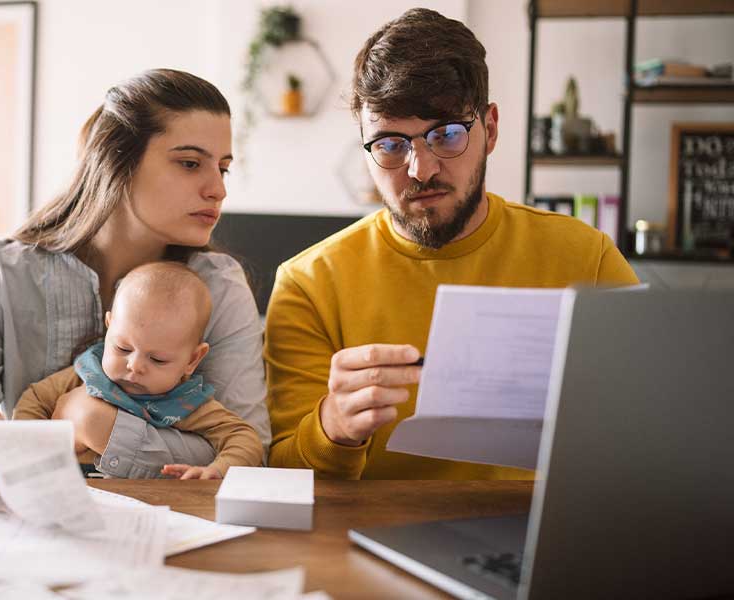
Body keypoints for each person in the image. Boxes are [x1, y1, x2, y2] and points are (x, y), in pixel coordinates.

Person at [264, 8, 639, 480]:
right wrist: (333, 427)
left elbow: (654, 429)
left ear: (492, 130)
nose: (421, 169)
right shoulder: (308, 284)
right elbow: (281, 478)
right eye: (390, 144)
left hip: (541, 537)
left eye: (446, 134)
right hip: (368, 542)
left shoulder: (588, 258)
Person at [0, 69, 270, 493]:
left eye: (223, 168)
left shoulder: (219, 286)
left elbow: (251, 448)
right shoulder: (2, 273)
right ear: (116, 163)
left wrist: (97, 424)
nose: (218, 189)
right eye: (190, 163)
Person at [13, 261, 264, 479]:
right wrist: (29, 453)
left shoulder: (186, 403)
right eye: (122, 348)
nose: (134, 366)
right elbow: (34, 399)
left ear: (193, 359)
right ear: (109, 327)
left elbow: (245, 439)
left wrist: (218, 470)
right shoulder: (87, 373)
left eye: (157, 359)